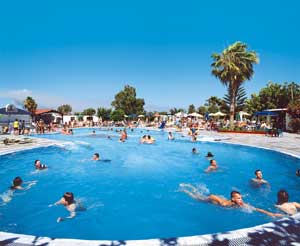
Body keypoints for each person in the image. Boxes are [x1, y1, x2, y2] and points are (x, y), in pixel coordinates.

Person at [179, 183, 283, 217]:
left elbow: (256, 209)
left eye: (241, 198)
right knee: (198, 198)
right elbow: (215, 197)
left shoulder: (240, 204)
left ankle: (191, 188)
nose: (241, 199)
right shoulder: (224, 203)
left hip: (221, 199)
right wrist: (209, 198)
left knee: (199, 195)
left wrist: (271, 214)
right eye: (238, 198)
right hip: (213, 199)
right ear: (233, 199)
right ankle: (186, 190)